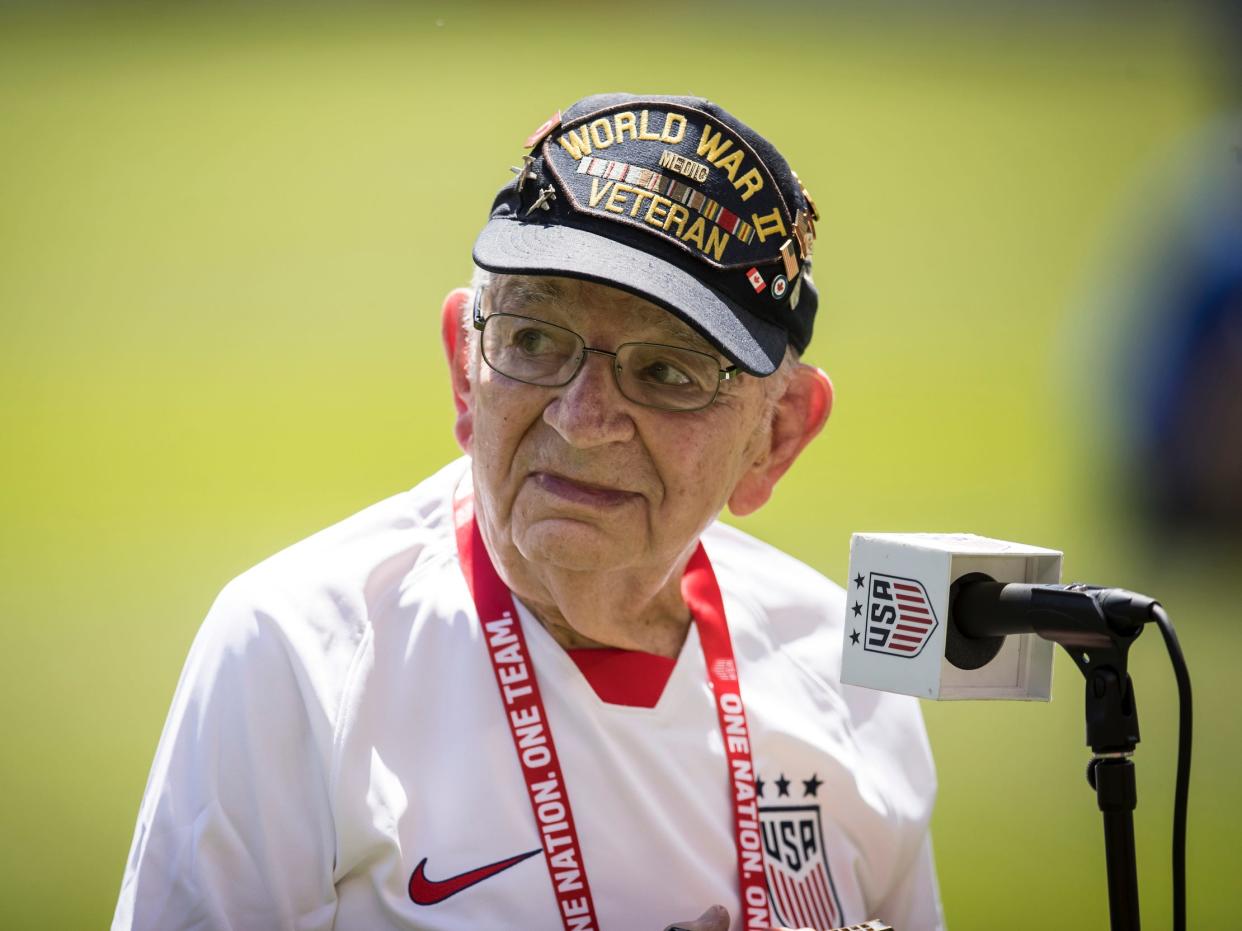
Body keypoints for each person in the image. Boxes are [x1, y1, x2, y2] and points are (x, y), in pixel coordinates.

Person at [113, 93, 944, 931]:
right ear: (463, 367)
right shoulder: (297, 651)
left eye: (666, 371)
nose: (582, 421)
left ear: (777, 435)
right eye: (535, 339)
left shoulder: (849, 679)